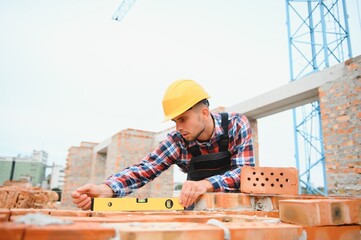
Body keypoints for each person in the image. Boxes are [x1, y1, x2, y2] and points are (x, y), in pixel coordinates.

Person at [71, 79, 255, 210]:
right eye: (175, 121)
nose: (178, 127)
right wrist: (107, 189)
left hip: (238, 210)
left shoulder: (236, 125)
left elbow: (244, 173)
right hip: (197, 213)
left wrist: (206, 184)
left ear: (205, 113)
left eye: (183, 119)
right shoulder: (178, 141)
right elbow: (145, 169)